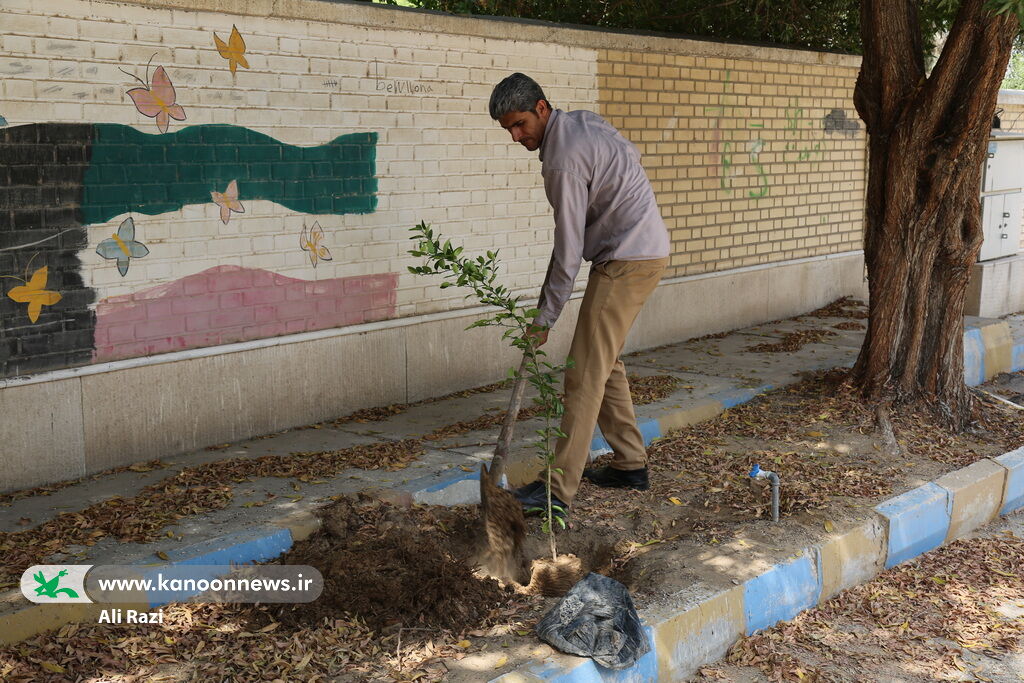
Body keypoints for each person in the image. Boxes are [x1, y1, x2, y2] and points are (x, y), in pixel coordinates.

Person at [488, 73, 670, 521]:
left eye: (520, 125)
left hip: (626, 259)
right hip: (640, 250)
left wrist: (544, 318)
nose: (516, 137)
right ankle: (630, 464)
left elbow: (567, 252)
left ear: (542, 109)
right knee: (605, 365)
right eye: (508, 129)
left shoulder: (561, 161)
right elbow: (630, 154)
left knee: (583, 374)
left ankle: (556, 490)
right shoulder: (582, 123)